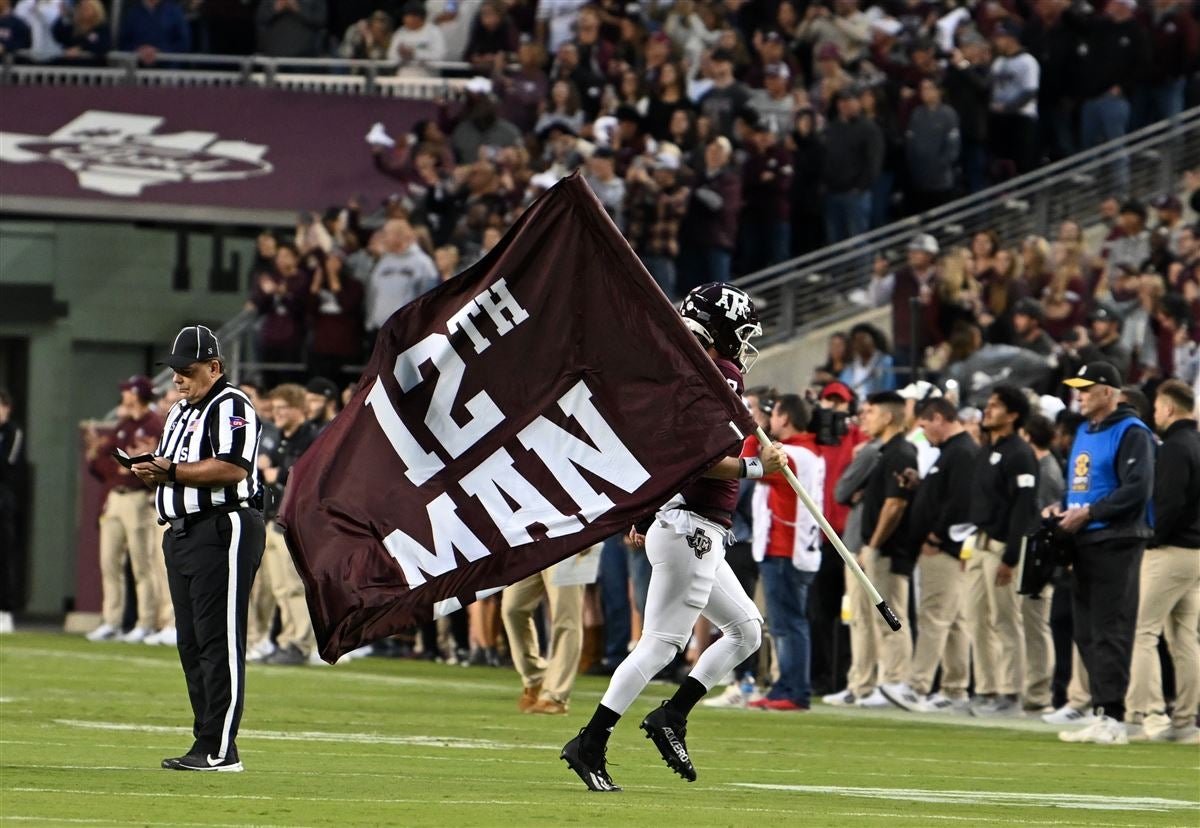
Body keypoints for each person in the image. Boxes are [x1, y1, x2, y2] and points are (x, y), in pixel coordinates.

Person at [561, 283, 787, 792]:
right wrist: (758, 467)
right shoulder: (718, 374)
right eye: (742, 332)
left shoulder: (682, 374)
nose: (744, 344)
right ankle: (591, 741)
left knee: (747, 629)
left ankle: (672, 716)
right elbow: (700, 459)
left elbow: (665, 453)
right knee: (661, 645)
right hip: (693, 528)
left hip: (689, 523)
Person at [131, 325, 264, 772]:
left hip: (222, 527)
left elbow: (233, 469)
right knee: (190, 642)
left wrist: (170, 473)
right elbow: (175, 467)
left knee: (217, 640)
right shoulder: (178, 412)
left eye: (187, 372)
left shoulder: (232, 405)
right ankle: (205, 742)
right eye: (174, 373)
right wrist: (152, 470)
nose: (178, 381)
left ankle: (221, 749)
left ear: (214, 367)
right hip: (182, 531)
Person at [1051, 361, 1156, 745]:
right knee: (1086, 631)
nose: (1078, 395)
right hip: (1083, 540)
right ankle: (1102, 710)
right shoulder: (1084, 430)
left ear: (1108, 392)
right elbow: (1078, 485)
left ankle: (1115, 716)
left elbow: (1137, 488)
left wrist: (1091, 512)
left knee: (1111, 628)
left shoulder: (1132, 432)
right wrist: (1060, 508)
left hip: (1117, 538)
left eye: (1086, 388)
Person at [881, 396, 979, 713]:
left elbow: (962, 501)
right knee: (953, 620)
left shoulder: (961, 452)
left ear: (938, 418)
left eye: (924, 426)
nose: (923, 433)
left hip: (944, 548)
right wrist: (920, 485)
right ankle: (954, 688)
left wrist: (937, 536)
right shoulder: (952, 452)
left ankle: (917, 686)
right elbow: (945, 495)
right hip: (945, 546)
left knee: (934, 616)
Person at [1125, 379, 1199, 743]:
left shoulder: (1173, 447)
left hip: (1170, 553)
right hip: (1196, 556)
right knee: (1185, 638)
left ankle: (1138, 717)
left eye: (1156, 408)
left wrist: (1152, 540)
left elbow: (1170, 504)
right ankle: (1184, 721)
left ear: (1168, 408)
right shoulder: (1198, 443)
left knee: (1143, 632)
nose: (1155, 414)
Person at [965, 384, 1040, 717]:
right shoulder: (986, 450)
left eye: (996, 406)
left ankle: (1010, 694)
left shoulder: (1020, 454)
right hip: (978, 545)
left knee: (1006, 621)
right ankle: (986, 688)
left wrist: (1011, 556)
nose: (987, 410)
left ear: (1013, 415)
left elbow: (1023, 508)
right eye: (988, 404)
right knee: (976, 619)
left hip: (1001, 547)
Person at [747, 394, 824, 711]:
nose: (771, 420)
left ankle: (794, 690)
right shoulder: (809, 452)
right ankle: (786, 687)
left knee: (787, 624)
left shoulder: (790, 454)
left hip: (784, 548)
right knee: (789, 622)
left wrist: (753, 430)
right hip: (795, 547)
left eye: (774, 415)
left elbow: (751, 466)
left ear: (786, 418)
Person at [842, 390, 917, 708]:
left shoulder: (900, 452)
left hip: (886, 550)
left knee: (891, 616)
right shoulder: (885, 452)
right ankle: (876, 684)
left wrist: (872, 545)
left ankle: (896, 682)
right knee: (875, 618)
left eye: (871, 412)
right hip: (875, 548)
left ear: (888, 416)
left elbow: (895, 504)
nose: (865, 419)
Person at [83, 376, 166, 644]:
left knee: (143, 565)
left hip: (138, 498)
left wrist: (126, 470)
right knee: (109, 563)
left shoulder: (154, 425)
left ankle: (146, 621)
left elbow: (148, 466)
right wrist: (113, 466)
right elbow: (104, 460)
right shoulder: (125, 424)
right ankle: (111, 621)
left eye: (128, 392)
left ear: (138, 395)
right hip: (115, 498)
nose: (124, 397)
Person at [257, 384, 319, 666]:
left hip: (295, 523)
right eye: (276, 409)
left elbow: (313, 478)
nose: (278, 414)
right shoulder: (281, 438)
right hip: (274, 518)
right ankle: (286, 640)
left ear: (299, 409)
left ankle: (301, 643)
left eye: (284, 409)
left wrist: (278, 473)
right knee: (280, 587)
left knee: (294, 586)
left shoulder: (312, 439)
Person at [501, 544, 593, 716]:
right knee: (512, 608)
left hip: (573, 535)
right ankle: (536, 676)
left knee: (566, 618)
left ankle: (556, 696)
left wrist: (591, 533)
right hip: (531, 536)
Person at [1021, 413, 1065, 713]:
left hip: (1042, 556)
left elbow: (1046, 519)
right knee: (1031, 622)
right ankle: (1034, 689)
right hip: (1036, 553)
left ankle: (1040, 693)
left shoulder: (1046, 471)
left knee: (1037, 623)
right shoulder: (1043, 465)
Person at [0, 388, 24, 633]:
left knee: (4, 558)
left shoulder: (13, 432)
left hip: (3, 503)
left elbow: (7, 463)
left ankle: (5, 611)